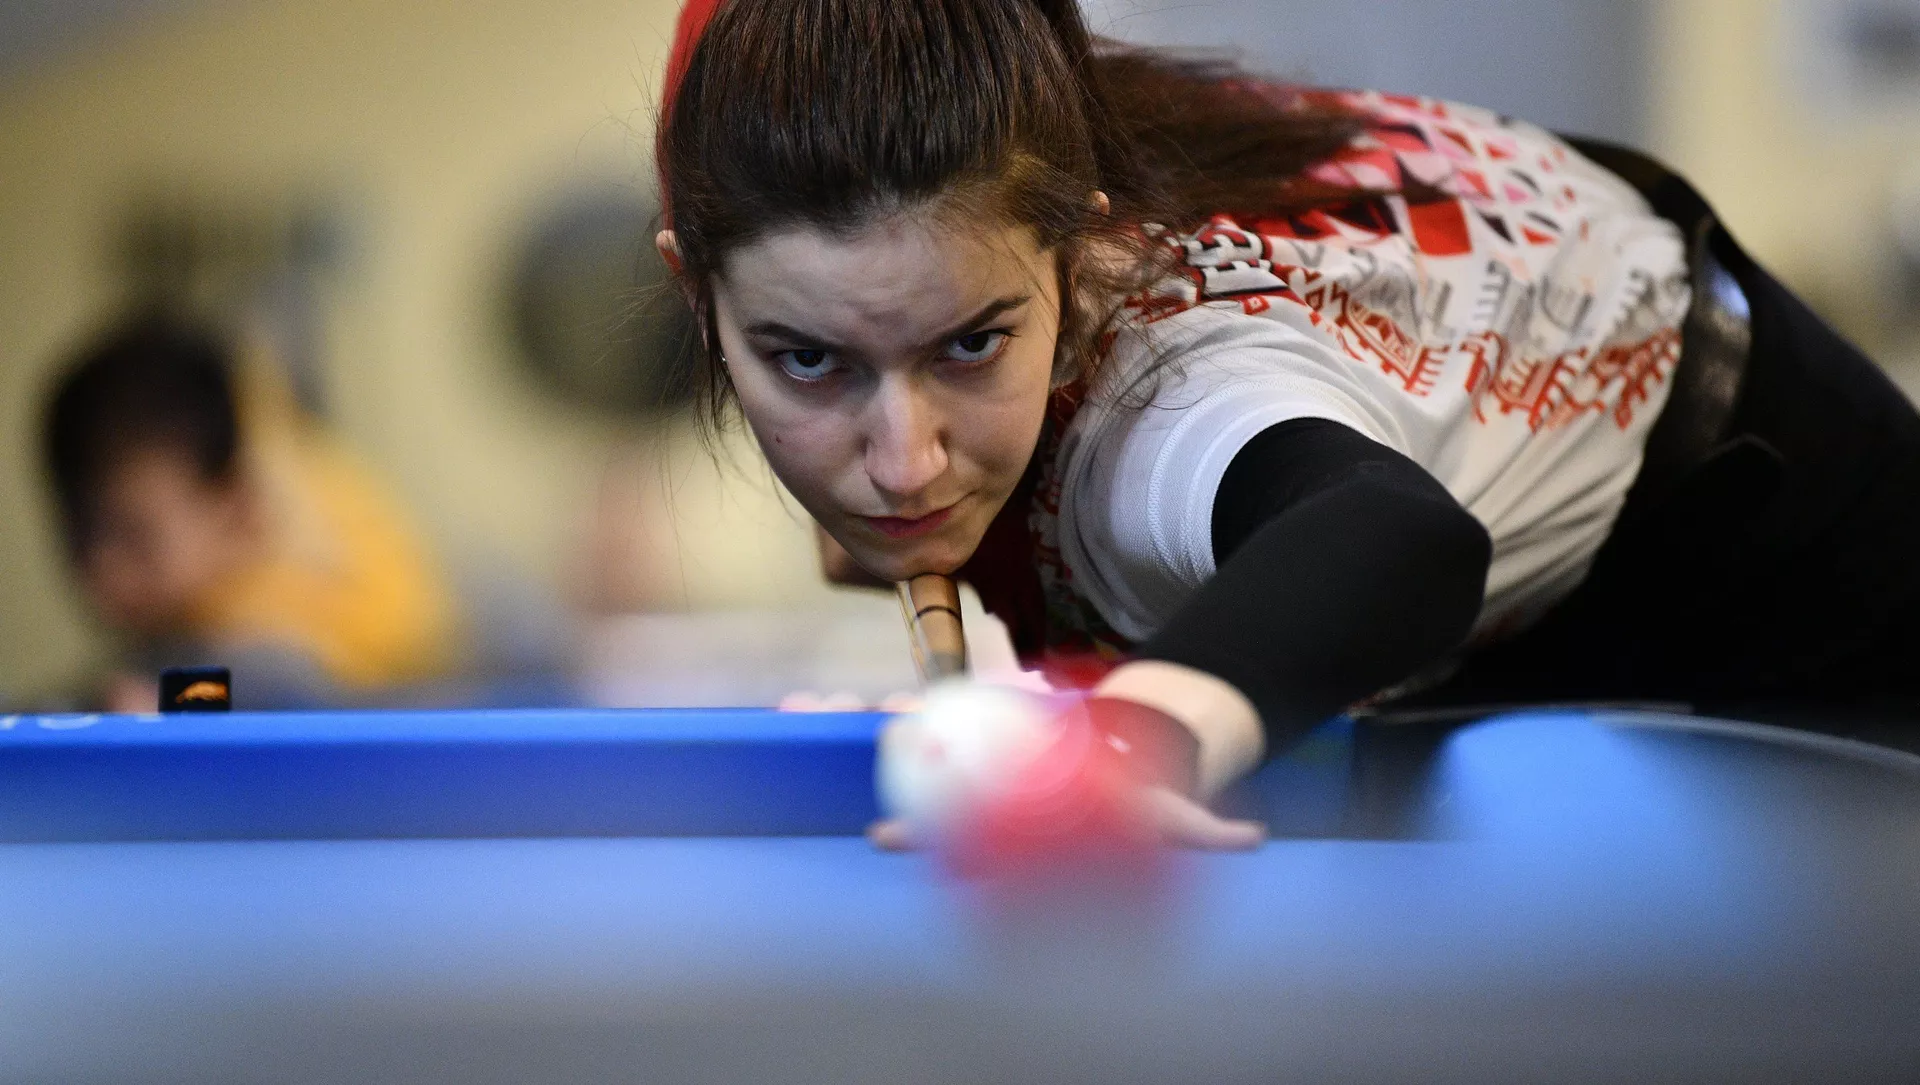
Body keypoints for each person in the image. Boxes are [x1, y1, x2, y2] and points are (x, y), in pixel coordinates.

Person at [652, 0, 1920, 845]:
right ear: (693, 292)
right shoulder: (791, 87)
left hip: (1796, 543)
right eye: (808, 358)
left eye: (971, 342)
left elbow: (1392, 536)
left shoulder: (1161, 402)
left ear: (1077, 256)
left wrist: (1131, 743)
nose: (904, 458)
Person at [42, 314, 465, 710]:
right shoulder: (187, 619)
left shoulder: (276, 597)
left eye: (135, 537)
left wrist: (167, 700)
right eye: (81, 533)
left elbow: (272, 689)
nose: (104, 570)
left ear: (235, 511)